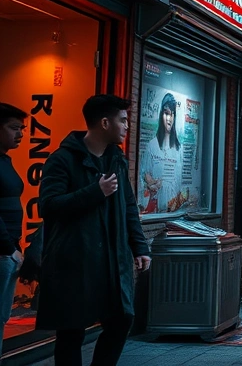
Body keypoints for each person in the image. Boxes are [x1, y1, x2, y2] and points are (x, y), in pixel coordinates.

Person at [37, 95, 150, 366]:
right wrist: (94, 192)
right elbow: (49, 206)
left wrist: (140, 246)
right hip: (75, 259)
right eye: (122, 120)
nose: (126, 126)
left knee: (122, 319)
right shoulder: (62, 159)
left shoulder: (116, 160)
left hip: (112, 259)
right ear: (104, 122)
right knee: (71, 330)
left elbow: (128, 206)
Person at [0, 103, 26, 343]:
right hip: (3, 251)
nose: (20, 134)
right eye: (14, 127)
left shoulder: (5, 160)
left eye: (22, 128)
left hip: (9, 250)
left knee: (2, 317)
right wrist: (9, 248)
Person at [139, 93, 183, 214]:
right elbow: (144, 173)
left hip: (173, 209)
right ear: (161, 115)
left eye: (172, 114)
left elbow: (179, 182)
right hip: (155, 209)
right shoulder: (152, 145)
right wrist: (151, 183)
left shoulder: (179, 149)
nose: (169, 118)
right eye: (166, 113)